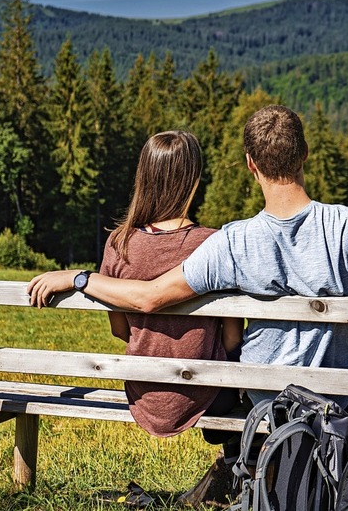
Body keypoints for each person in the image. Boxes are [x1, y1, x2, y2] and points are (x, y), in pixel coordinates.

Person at [28, 105, 348, 500]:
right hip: (334, 395)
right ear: (305, 153)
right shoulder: (346, 223)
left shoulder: (231, 242)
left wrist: (80, 278)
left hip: (264, 399)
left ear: (251, 164)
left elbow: (148, 299)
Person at [67, 130, 244, 506]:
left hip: (143, 392)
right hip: (209, 396)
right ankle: (236, 468)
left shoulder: (120, 242)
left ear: (143, 177)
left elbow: (120, 330)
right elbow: (232, 340)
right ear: (194, 179)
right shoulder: (214, 243)